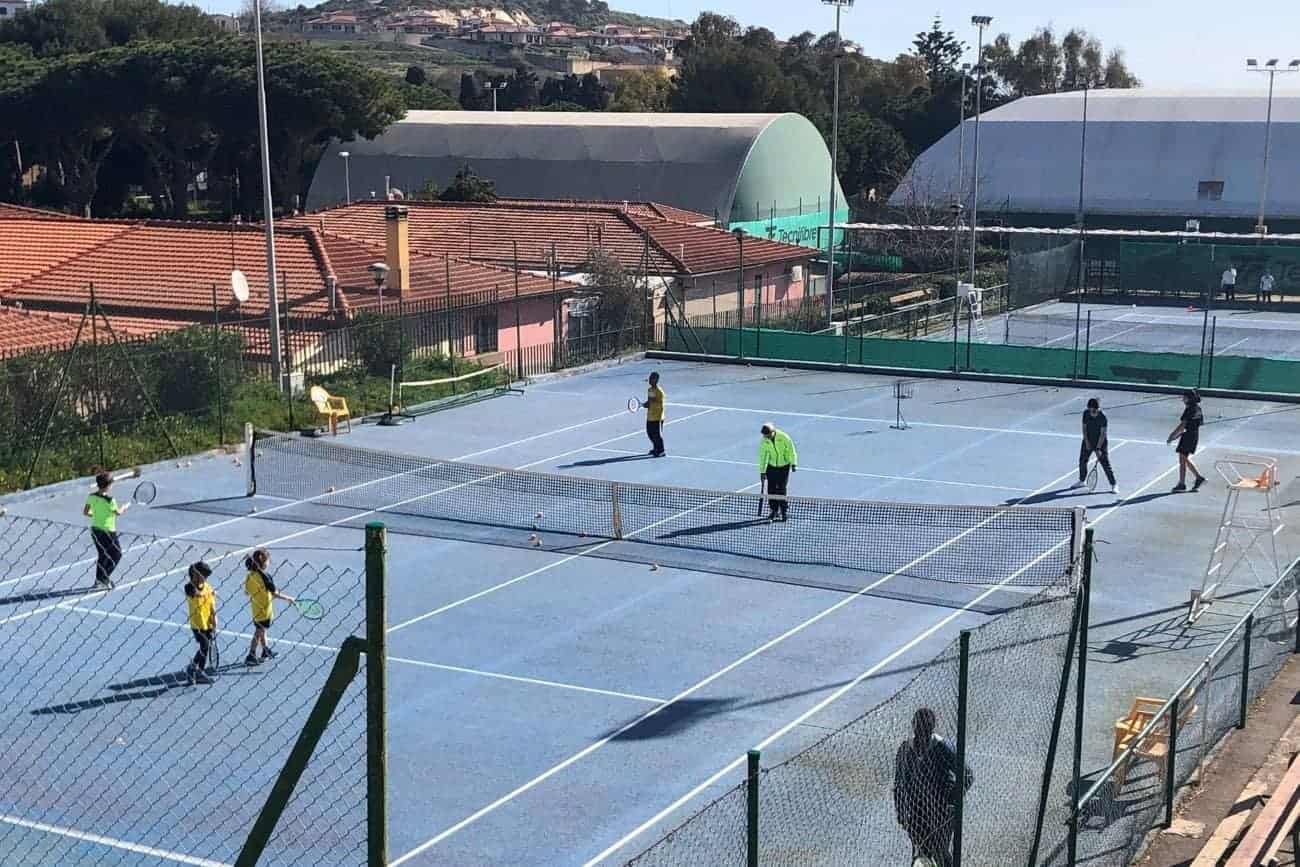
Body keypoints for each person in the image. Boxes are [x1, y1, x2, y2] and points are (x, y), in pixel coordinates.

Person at [893, 707, 973, 867]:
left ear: (931, 728)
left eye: (926, 728)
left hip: (941, 814)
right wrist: (901, 813)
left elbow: (967, 776)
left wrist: (950, 800)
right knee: (920, 853)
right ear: (914, 726)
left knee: (940, 852)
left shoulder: (942, 748)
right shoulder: (905, 750)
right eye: (920, 727)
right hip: (917, 813)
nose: (922, 732)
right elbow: (899, 784)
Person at [243, 549, 294, 666]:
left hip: (255, 608)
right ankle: (251, 654)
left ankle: (265, 650)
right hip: (265, 610)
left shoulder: (250, 576)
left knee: (262, 630)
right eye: (268, 560)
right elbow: (275, 594)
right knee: (259, 631)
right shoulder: (266, 577)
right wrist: (289, 598)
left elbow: (247, 592)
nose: (269, 563)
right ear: (263, 562)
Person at [83, 470, 129, 590]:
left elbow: (86, 512)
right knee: (117, 554)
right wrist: (124, 507)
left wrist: (98, 514)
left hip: (95, 531)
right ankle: (104, 578)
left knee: (102, 555)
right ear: (108, 486)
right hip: (108, 532)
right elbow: (118, 513)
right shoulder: (110, 500)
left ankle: (99, 580)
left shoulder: (91, 497)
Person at [1073, 398, 1119, 494]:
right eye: (1093, 410)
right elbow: (1084, 429)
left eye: (1096, 410)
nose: (1094, 412)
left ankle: (1114, 485)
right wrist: (1086, 442)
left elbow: (1103, 433)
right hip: (1088, 441)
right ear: (1089, 408)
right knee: (1082, 461)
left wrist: (1098, 448)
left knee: (1105, 464)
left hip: (1101, 443)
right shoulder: (1085, 414)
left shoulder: (1103, 417)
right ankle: (1082, 481)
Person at [184, 561, 217, 685]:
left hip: (208, 622)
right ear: (195, 574)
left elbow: (212, 604)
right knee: (204, 645)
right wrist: (210, 593)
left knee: (205, 647)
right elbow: (197, 594)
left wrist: (214, 618)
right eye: (204, 575)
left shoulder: (207, 586)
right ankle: (193, 668)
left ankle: (198, 671)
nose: (206, 578)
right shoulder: (189, 587)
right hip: (197, 624)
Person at [1167, 389, 1207, 492]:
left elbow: (1183, 425)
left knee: (1183, 458)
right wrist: (1182, 432)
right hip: (1193, 435)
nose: (1182, 399)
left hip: (1188, 436)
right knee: (1183, 458)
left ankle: (1190, 481)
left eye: (1184, 397)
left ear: (1188, 398)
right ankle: (1189, 481)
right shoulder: (1198, 408)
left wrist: (1172, 435)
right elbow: (1198, 423)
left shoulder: (1189, 409)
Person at [758, 423, 798, 522]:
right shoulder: (764, 441)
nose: (766, 436)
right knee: (771, 490)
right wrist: (762, 471)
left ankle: (784, 511)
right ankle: (774, 511)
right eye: (764, 435)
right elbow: (762, 457)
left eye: (767, 434)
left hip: (784, 467)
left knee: (781, 489)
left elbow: (791, 450)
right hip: (771, 467)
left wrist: (793, 463)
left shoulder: (784, 437)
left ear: (773, 431)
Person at [641, 372, 666, 457]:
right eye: (650, 378)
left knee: (657, 435)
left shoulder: (659, 392)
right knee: (650, 433)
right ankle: (656, 448)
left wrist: (659, 417)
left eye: (652, 378)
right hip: (650, 417)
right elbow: (649, 401)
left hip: (658, 417)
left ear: (656, 380)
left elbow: (660, 404)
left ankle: (661, 451)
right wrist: (645, 404)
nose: (650, 380)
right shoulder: (649, 390)